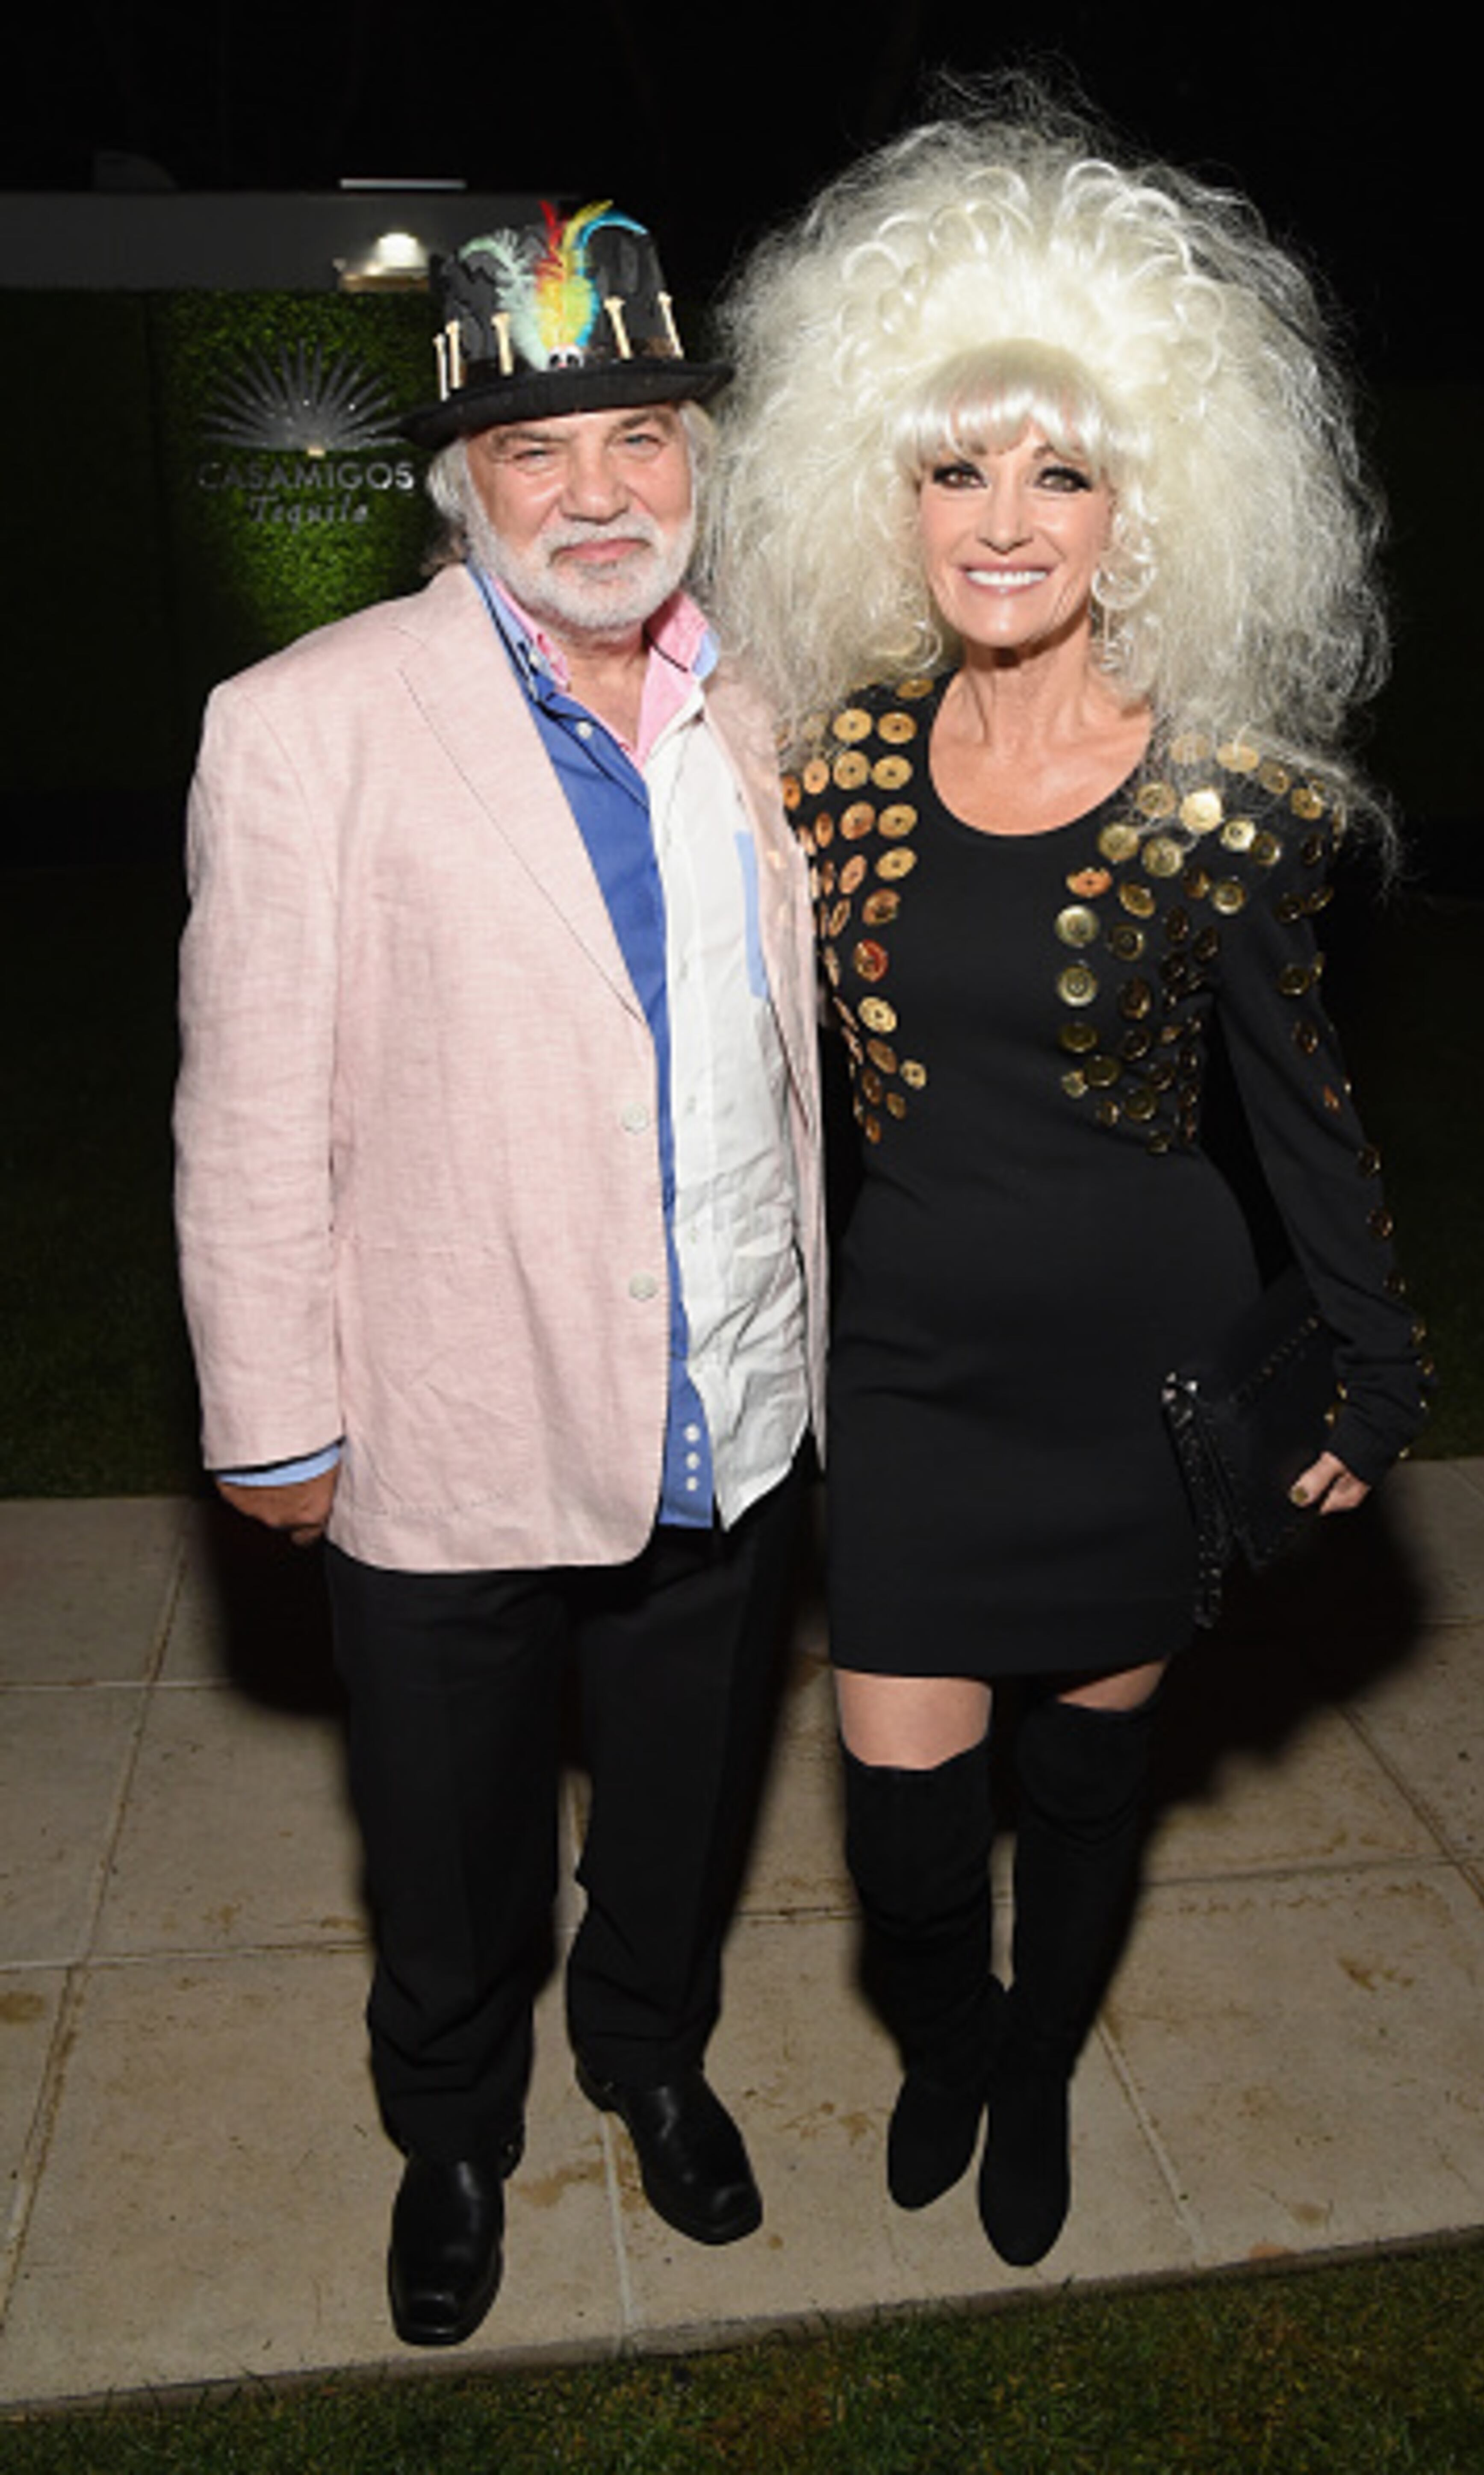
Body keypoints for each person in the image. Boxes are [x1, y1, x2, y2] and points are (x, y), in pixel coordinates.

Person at [705, 103, 1431, 2269]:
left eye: (1062, 471)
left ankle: (1033, 2068)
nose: (1002, 521)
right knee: (913, 1829)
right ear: (888, 491)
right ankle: (949, 2028)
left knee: (1089, 1789)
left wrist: (1373, 1380)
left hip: (1145, 1372)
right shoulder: (827, 767)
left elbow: (1308, 1116)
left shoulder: (1236, 808)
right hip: (916, 1372)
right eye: (955, 467)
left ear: (1148, 511)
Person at [174, 201, 825, 2346]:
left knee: (683, 1784)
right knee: (443, 1835)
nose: (600, 491)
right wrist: (273, 1410)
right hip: (449, 1398)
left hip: (722, 1391)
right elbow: (252, 1105)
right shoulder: (307, 723)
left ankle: (647, 2049)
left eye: (642, 436)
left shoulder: (767, 715)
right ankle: (452, 2126)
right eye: (539, 452)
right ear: (466, 489)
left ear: (699, 466)